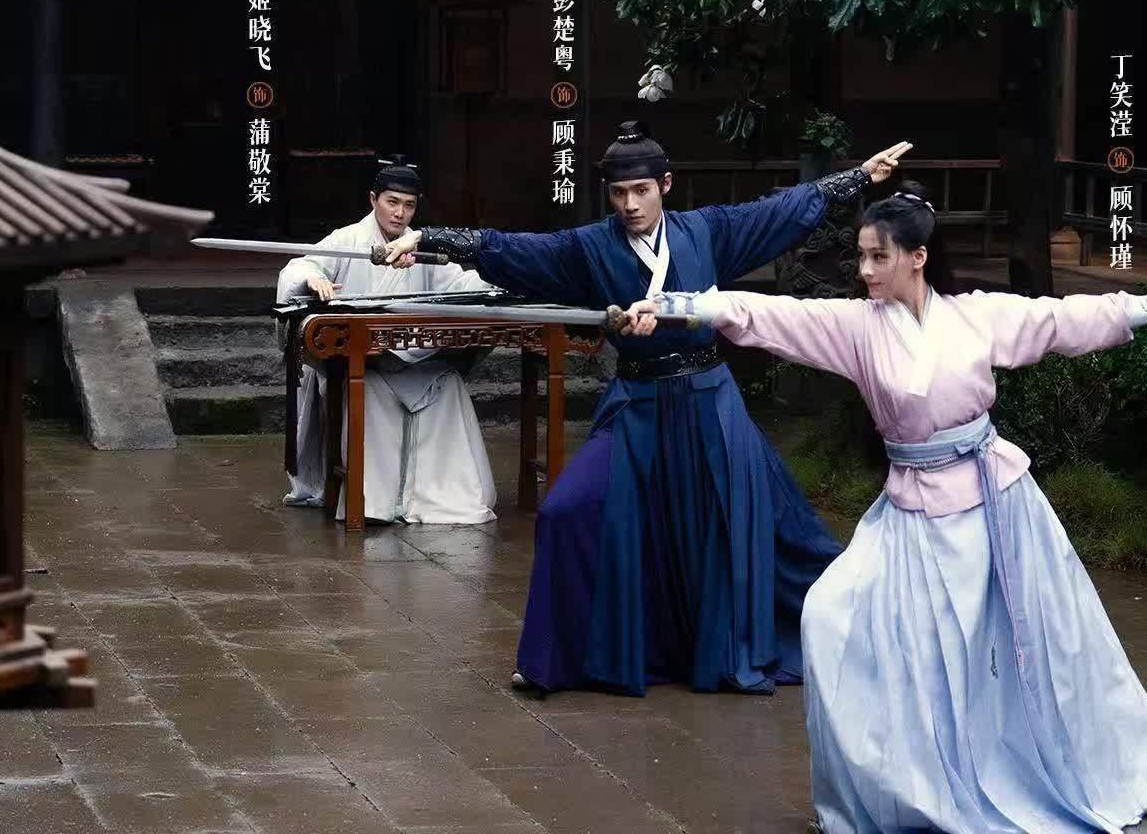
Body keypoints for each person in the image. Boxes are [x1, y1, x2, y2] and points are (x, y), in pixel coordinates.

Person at [626, 183, 1147, 831]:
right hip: (912, 513)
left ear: (916, 257)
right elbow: (766, 312)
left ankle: (1146, 773)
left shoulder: (976, 317)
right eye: (861, 256)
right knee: (832, 617)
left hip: (997, 506)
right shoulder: (856, 327)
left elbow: (1064, 320)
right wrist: (674, 306)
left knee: (1065, 648)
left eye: (878, 257)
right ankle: (905, 790)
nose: (864, 270)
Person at [381, 122, 913, 697]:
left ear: (665, 185)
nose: (630, 205)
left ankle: (860, 631)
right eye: (618, 193)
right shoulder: (589, 247)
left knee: (768, 532)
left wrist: (859, 177)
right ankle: (554, 660)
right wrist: (428, 238)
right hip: (637, 403)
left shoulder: (707, 231)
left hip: (710, 404)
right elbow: (513, 249)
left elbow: (778, 212)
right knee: (566, 510)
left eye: (641, 191)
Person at [275, 156, 496, 525]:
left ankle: (436, 497)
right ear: (373, 199)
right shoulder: (347, 239)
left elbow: (459, 282)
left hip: (410, 359)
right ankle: (374, 503)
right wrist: (312, 279)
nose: (400, 213)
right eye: (392, 202)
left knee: (449, 385)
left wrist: (498, 273)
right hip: (357, 362)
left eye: (409, 205)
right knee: (370, 390)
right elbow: (300, 266)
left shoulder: (420, 247)